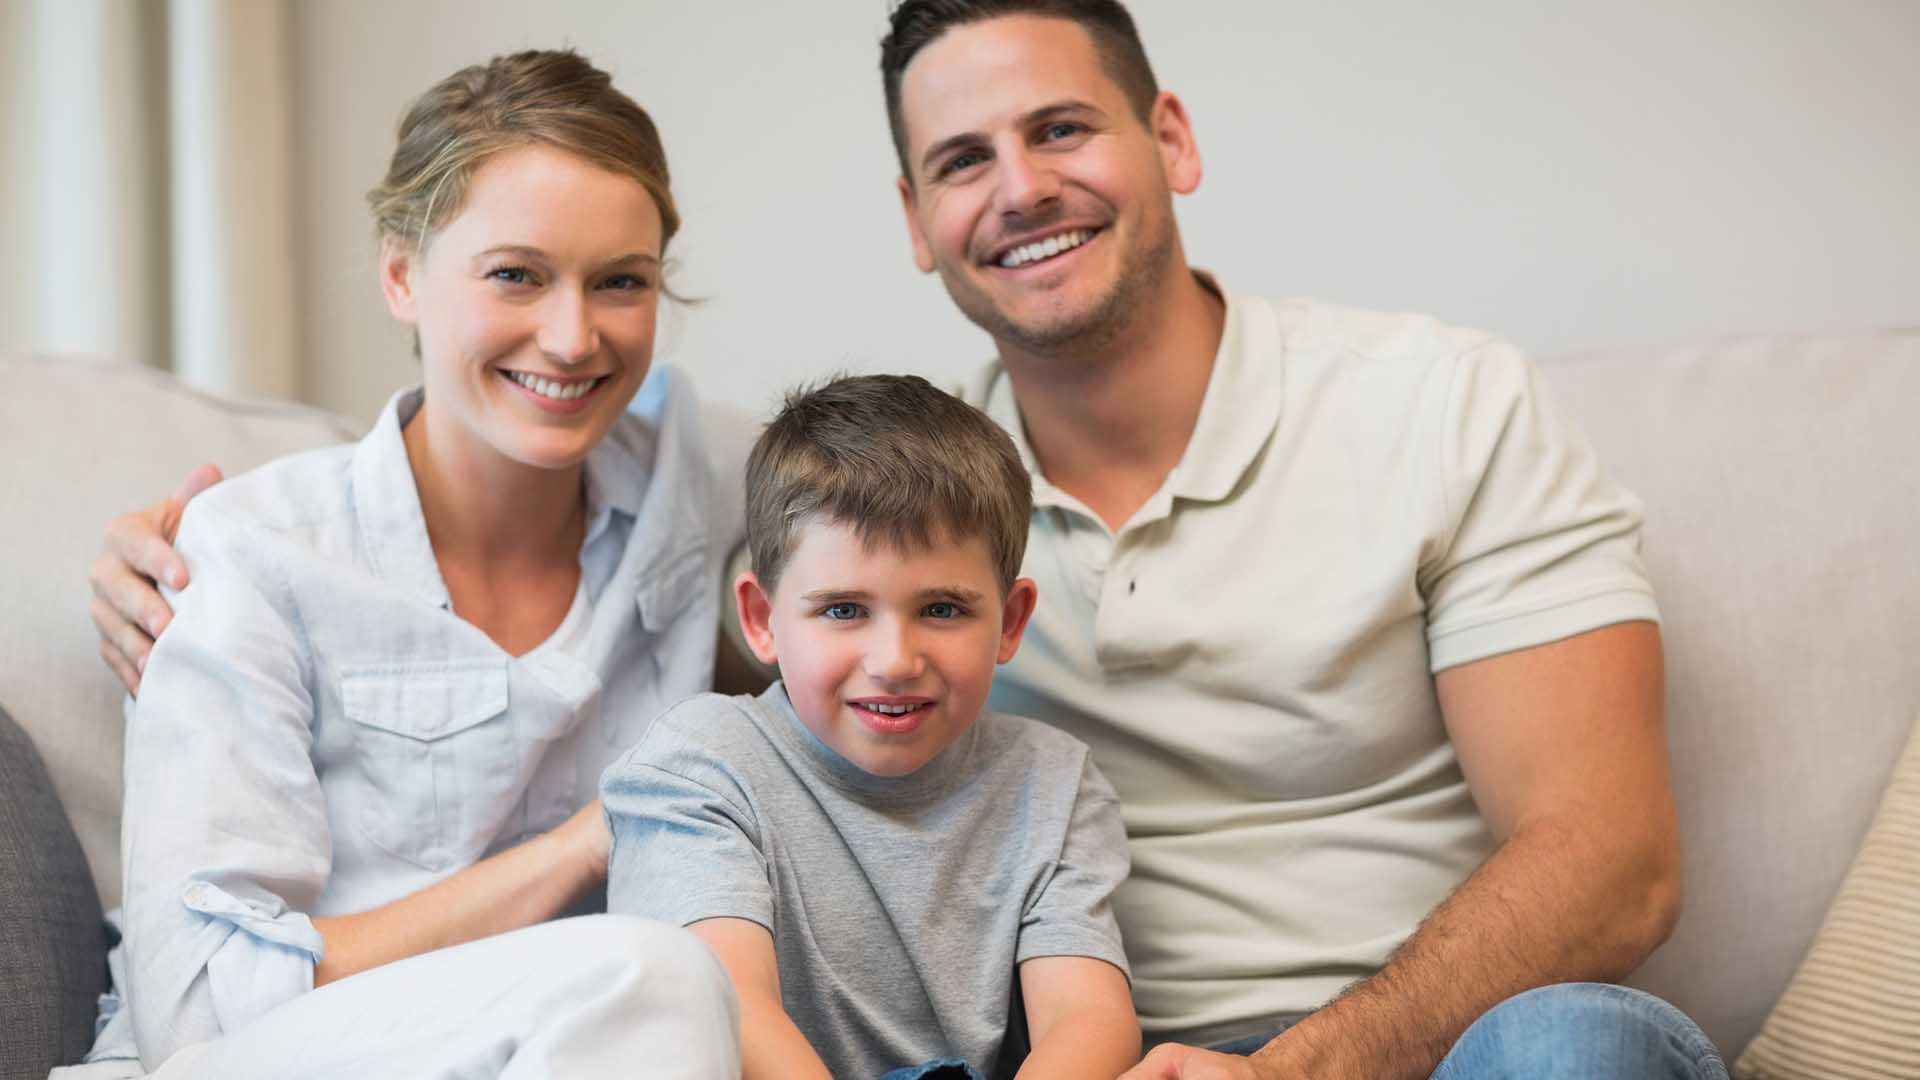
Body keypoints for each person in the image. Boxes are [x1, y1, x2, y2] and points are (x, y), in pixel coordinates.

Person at [92, 3, 1727, 1078]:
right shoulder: (872, 497)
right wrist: (187, 545)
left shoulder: (1439, 402)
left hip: (1390, 1048)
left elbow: (1618, 860)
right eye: (961, 160)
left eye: (1062, 130)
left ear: (1171, 138)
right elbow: (504, 435)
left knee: (1580, 1049)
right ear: (916, 221)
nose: (1019, 188)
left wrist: (1296, 1071)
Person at [61, 50, 741, 1079]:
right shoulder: (251, 552)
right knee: (656, 974)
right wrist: (588, 844)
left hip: (586, 1054)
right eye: (515, 274)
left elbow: (904, 507)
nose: (573, 338)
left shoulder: (697, 481)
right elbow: (197, 1005)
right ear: (401, 275)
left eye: (621, 282)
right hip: (262, 1061)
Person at [601, 374, 1139, 1080]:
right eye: (843, 610)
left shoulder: (1054, 784)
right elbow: (731, 1009)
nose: (895, 662)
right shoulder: (698, 767)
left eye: (942, 610)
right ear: (762, 620)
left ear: (1010, 622)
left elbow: (1088, 1020)